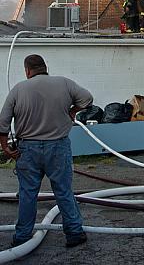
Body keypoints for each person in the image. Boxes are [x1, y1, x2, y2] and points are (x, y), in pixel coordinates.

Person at [0, 54, 93, 248]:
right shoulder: (64, 83)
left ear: (27, 70)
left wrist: (5, 147)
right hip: (58, 147)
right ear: (45, 67)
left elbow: (3, 121)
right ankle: (74, 233)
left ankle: (22, 237)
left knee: (27, 194)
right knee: (64, 191)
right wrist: (74, 110)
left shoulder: (18, 89)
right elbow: (87, 99)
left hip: (28, 149)